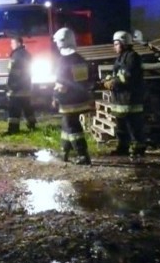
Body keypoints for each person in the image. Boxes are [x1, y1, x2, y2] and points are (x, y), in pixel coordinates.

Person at [51, 28, 94, 165]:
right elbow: (87, 80)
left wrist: (55, 97)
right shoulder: (80, 59)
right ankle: (64, 151)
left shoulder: (63, 61)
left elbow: (61, 84)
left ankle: (83, 155)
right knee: (66, 124)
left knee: (73, 127)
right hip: (81, 98)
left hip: (68, 100)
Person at [104, 30, 146, 160]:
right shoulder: (120, 58)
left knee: (133, 126)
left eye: (116, 44)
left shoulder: (133, 57)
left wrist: (113, 82)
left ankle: (138, 149)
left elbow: (128, 77)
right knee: (121, 126)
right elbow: (115, 73)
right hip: (120, 100)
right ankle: (123, 147)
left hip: (130, 99)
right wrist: (107, 80)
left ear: (123, 43)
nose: (114, 46)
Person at [5, 35, 37, 134]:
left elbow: (13, 73)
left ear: (18, 43)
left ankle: (13, 129)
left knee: (14, 109)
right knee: (27, 106)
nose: (11, 45)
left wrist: (9, 85)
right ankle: (32, 125)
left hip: (17, 87)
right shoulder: (27, 54)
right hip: (26, 85)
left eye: (12, 43)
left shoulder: (15, 56)